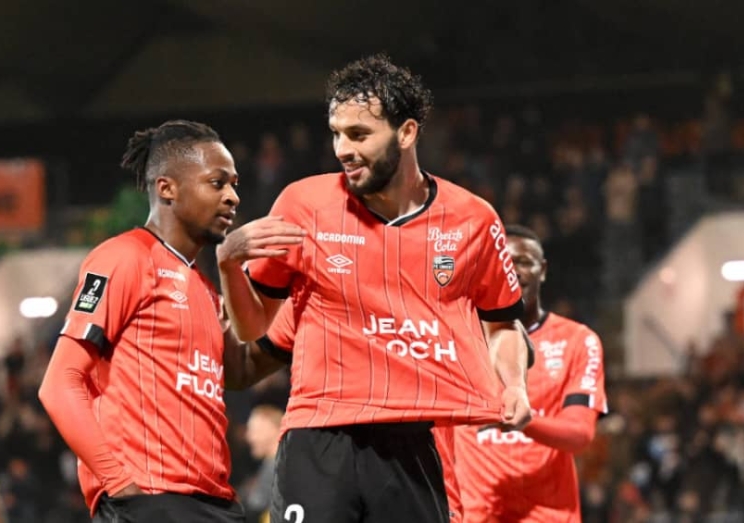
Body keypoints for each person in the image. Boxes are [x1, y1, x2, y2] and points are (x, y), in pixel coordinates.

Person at [217, 54, 532, 523]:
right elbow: (252, 327)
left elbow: (502, 324)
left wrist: (516, 384)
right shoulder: (303, 204)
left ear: (406, 133)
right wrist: (227, 266)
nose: (343, 148)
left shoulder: (473, 219)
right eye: (337, 134)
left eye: (359, 134)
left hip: (411, 439)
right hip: (318, 435)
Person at [39, 120, 288, 522]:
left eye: (234, 184)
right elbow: (59, 383)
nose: (233, 197)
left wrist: (301, 313)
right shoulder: (123, 258)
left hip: (216, 501)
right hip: (153, 498)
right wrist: (120, 484)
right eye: (217, 183)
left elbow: (238, 372)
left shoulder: (204, 288)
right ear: (167, 188)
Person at [255, 299, 465, 521]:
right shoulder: (311, 296)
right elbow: (247, 359)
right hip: (323, 438)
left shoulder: (423, 302)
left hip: (407, 446)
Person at [454, 225, 608, 522]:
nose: (515, 271)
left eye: (524, 262)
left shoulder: (577, 340)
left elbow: (580, 434)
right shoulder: (458, 338)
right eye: (504, 262)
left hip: (547, 514)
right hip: (474, 514)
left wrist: (522, 419)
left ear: (543, 270)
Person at [241, 405, 284, 523]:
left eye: (254, 431)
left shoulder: (275, 466)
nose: (248, 437)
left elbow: (253, 508)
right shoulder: (277, 462)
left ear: (272, 429)